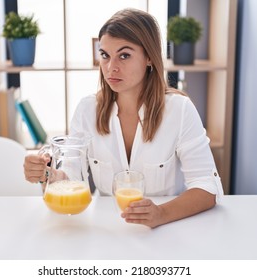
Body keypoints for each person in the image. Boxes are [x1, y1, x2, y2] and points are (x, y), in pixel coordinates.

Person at [24, 8, 223, 228]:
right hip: (108, 230)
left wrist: (161, 214)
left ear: (149, 57)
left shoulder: (180, 110)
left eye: (124, 55)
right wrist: (46, 174)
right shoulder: (87, 110)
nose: (111, 67)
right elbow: (71, 178)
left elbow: (207, 187)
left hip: (167, 232)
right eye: (105, 55)